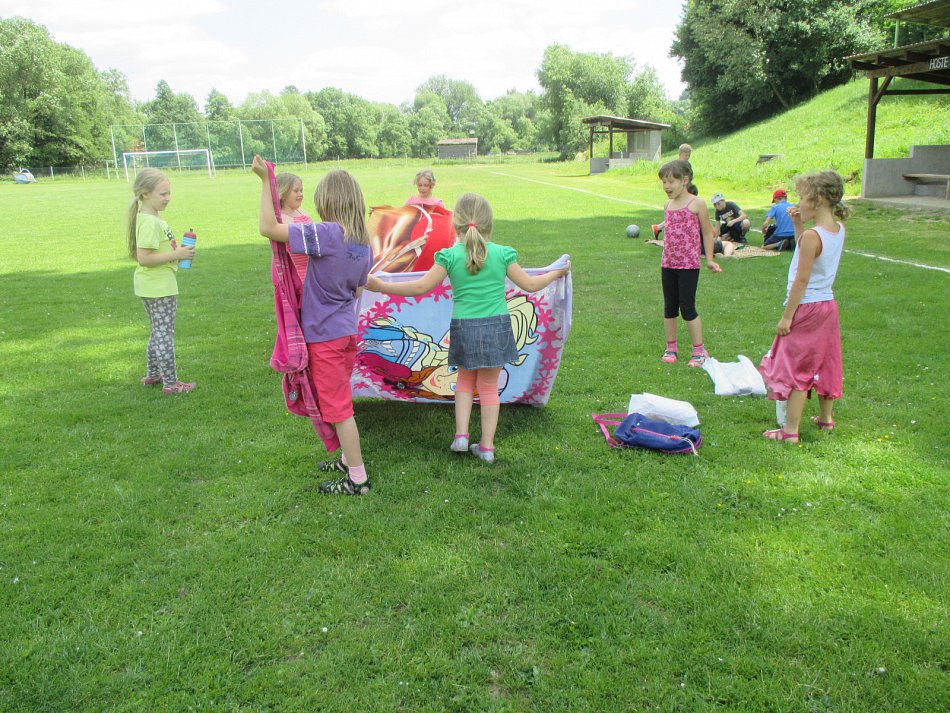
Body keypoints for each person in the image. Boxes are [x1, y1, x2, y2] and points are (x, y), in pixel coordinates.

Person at [366, 193, 570, 464]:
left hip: (464, 328)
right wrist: (557, 272)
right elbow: (531, 285)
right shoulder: (502, 254)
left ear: (456, 224)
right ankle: (487, 448)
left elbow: (420, 287)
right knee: (488, 388)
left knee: (464, 382)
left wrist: (381, 285)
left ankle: (461, 436)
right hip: (498, 329)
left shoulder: (449, 256)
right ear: (489, 223)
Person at [251, 155, 374, 495]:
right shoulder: (364, 242)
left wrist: (265, 181)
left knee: (339, 410)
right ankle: (347, 462)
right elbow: (358, 289)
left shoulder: (327, 234)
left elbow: (269, 228)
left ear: (327, 202)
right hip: (345, 332)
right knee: (340, 399)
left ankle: (358, 479)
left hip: (325, 337)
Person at [759, 170, 850, 443]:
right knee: (826, 360)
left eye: (802, 197)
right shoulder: (837, 229)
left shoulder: (813, 236)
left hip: (807, 308)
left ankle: (790, 431)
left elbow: (802, 278)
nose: (798, 202)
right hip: (827, 306)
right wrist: (798, 224)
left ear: (818, 199)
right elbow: (805, 249)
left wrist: (787, 317)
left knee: (797, 367)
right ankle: (826, 419)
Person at [126, 168, 197, 394]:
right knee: (164, 335)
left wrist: (178, 253)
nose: (168, 198)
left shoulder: (151, 218)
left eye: (169, 193)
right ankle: (171, 383)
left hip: (153, 285)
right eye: (163, 194)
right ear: (145, 194)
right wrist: (177, 255)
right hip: (159, 287)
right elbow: (144, 258)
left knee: (157, 332)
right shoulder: (149, 222)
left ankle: (153, 375)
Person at [656, 160, 722, 366]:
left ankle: (699, 351)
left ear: (685, 180)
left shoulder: (697, 203)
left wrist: (709, 259)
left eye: (671, 181)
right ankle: (671, 348)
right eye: (664, 182)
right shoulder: (667, 205)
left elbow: (707, 233)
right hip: (668, 264)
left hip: (688, 265)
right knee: (669, 307)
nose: (666, 186)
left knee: (687, 308)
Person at [651, 144, 697, 239]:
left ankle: (658, 228)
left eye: (689, 155)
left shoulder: (685, 165)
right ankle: (659, 228)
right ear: (680, 153)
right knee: (679, 214)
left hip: (687, 190)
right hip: (683, 191)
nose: (687, 157)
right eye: (686, 155)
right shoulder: (676, 167)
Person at [275, 172, 313, 284]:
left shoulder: (301, 212)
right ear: (283, 193)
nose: (300, 194)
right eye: (296, 191)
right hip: (298, 275)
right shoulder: (282, 218)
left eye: (301, 190)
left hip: (312, 271)